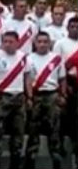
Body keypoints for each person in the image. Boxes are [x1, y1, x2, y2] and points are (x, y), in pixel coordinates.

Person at [0, 31, 31, 169]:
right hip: (1, 97)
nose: (8, 44)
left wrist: (29, 97)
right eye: (5, 41)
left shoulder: (23, 57)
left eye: (11, 42)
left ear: (17, 42)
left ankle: (15, 163)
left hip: (19, 98)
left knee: (18, 133)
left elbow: (27, 78)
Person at [25, 32, 67, 169]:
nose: (42, 44)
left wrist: (63, 95)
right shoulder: (29, 58)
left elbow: (62, 79)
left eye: (45, 41)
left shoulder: (56, 58)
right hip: (36, 95)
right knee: (33, 129)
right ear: (35, 43)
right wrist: (29, 97)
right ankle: (31, 159)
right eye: (39, 41)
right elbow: (27, 80)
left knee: (55, 129)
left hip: (52, 95)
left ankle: (56, 159)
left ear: (50, 43)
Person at [53, 16, 78, 166]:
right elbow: (57, 64)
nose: (75, 29)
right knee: (63, 116)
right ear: (67, 28)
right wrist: (63, 85)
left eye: (77, 26)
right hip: (65, 82)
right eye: (72, 26)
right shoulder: (60, 44)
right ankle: (59, 147)